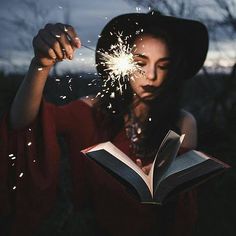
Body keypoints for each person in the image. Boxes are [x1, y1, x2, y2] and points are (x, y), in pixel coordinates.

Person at [0, 11, 208, 236]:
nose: (152, 75)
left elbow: (182, 211)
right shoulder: (93, 112)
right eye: (140, 62)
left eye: (163, 65)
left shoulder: (183, 122)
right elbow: (23, 121)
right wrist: (40, 64)